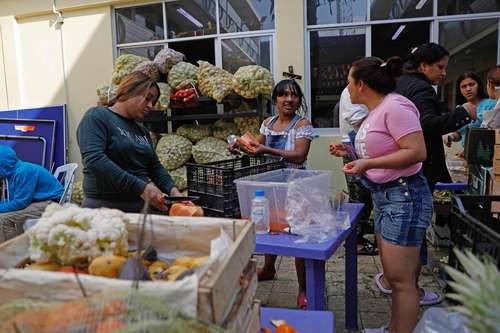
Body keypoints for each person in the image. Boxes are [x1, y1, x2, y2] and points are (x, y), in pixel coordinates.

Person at [331, 56, 433, 333]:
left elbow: (416, 151)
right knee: (394, 276)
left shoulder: (395, 107)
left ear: (361, 84)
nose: (347, 88)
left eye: (349, 81)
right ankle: (393, 328)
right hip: (386, 198)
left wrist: (368, 163)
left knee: (401, 281)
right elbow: (385, 150)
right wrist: (351, 154)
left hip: (404, 196)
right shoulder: (375, 112)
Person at [239, 79, 313, 308]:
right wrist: (241, 146)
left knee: (296, 236)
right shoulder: (267, 123)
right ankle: (269, 269)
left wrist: (266, 149)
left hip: (295, 186)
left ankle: (303, 289)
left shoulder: (302, 124)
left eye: (294, 95)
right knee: (270, 228)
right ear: (275, 100)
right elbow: (256, 146)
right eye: (283, 95)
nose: (289, 100)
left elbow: (299, 155)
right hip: (270, 185)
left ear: (299, 100)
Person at [77, 71, 183, 213]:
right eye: (148, 98)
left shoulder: (142, 131)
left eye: (153, 102)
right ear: (129, 91)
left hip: (140, 209)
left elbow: (154, 166)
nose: (151, 106)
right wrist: (141, 187)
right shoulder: (97, 117)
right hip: (104, 209)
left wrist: (173, 190)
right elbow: (95, 160)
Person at [395, 43, 477, 189]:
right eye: (440, 67)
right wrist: (463, 112)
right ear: (423, 66)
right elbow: (427, 125)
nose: (444, 73)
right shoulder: (421, 88)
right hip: (423, 169)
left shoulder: (400, 83)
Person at [335, 87, 377, 255]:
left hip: (358, 147)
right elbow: (356, 119)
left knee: (364, 196)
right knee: (359, 196)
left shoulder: (366, 89)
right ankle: (355, 241)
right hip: (355, 148)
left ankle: (359, 236)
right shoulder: (352, 90)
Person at [0, 145, 64, 242]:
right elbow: (15, 200)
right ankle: (17, 245)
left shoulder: (24, 172)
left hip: (51, 203)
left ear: (3, 163)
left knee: (4, 218)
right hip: (41, 201)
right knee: (6, 214)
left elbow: (20, 203)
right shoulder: (13, 173)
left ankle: (9, 251)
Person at [445, 71, 496, 155]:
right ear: (460, 90)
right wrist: (451, 137)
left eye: (471, 84)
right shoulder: (460, 109)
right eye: (464, 86)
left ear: (479, 85)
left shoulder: (491, 104)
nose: (468, 89)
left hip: (487, 155)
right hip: (468, 157)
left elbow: (493, 134)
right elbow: (460, 133)